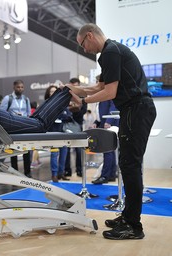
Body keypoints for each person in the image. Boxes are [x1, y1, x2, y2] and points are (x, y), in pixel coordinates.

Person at [69, 23, 157, 240]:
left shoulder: (109, 53)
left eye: (83, 44)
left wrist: (82, 100)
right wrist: (71, 90)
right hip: (136, 109)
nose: (85, 49)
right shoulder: (112, 51)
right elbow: (99, 87)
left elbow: (109, 92)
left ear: (89, 36)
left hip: (135, 109)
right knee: (127, 165)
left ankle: (133, 226)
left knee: (130, 165)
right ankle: (128, 217)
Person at [0, 80, 32, 177]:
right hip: (12, 128)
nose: (20, 89)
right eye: (18, 87)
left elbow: (29, 113)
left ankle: (28, 173)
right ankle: (15, 173)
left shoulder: (26, 99)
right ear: (14, 87)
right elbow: (2, 113)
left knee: (27, 150)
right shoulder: (8, 99)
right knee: (13, 151)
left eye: (22, 87)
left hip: (24, 127)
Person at [44, 85, 71, 182]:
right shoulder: (46, 103)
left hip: (63, 132)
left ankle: (61, 173)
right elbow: (47, 116)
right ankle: (54, 174)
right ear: (48, 93)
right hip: (52, 133)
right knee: (54, 154)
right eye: (51, 91)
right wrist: (60, 115)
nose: (53, 93)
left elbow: (68, 116)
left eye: (55, 91)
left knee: (64, 153)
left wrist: (60, 115)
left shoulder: (62, 103)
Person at [91, 100, 119, 184]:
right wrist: (96, 122)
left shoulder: (108, 95)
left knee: (107, 151)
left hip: (109, 125)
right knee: (110, 151)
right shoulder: (100, 99)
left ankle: (105, 176)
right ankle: (111, 175)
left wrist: (108, 121)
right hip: (104, 124)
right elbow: (101, 113)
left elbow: (113, 107)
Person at [65, 77, 87, 177]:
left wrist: (75, 108)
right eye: (73, 86)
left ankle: (79, 170)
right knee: (66, 148)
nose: (75, 88)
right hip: (67, 125)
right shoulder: (65, 96)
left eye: (77, 86)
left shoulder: (82, 97)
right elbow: (64, 111)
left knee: (78, 149)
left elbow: (83, 111)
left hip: (78, 125)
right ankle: (67, 170)